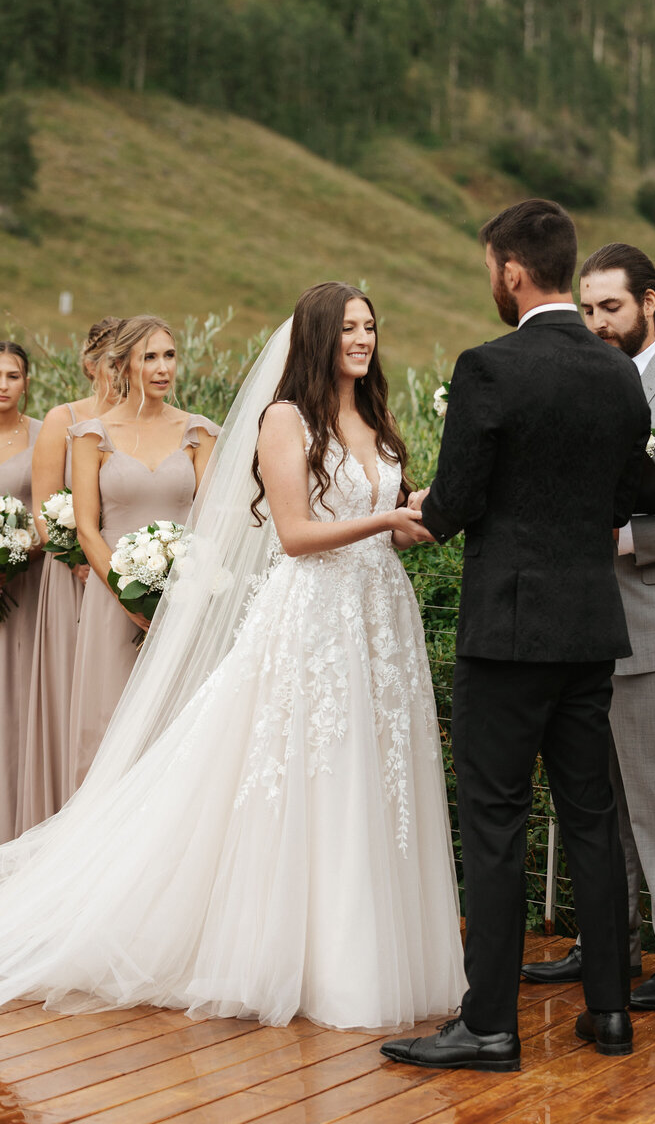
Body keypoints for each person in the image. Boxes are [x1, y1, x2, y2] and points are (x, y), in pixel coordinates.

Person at [0, 283, 466, 1032]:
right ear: (317, 334)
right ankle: (294, 955)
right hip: (314, 615)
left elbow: (381, 517)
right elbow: (293, 534)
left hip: (379, 613)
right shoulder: (285, 418)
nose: (363, 337)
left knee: (374, 769)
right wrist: (382, 518)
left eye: (371, 326)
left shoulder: (373, 414)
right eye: (348, 326)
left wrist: (419, 516)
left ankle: (363, 946)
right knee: (312, 769)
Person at [380, 201, 651, 1073]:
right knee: (593, 818)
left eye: (487, 268)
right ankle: (611, 1012)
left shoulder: (489, 367)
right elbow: (620, 498)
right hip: (590, 631)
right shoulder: (621, 374)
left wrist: (420, 513)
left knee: (494, 824)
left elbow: (455, 503)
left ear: (510, 271)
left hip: (507, 634)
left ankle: (489, 1025)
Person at [521, 243, 655, 1009]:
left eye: (609, 307)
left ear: (649, 302)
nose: (596, 322)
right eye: (586, 308)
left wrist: (621, 535)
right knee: (595, 801)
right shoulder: (586, 386)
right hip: (588, 629)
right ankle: (604, 944)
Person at [67, 315, 219, 792]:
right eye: (149, 357)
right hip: (112, 601)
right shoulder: (92, 435)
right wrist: (127, 596)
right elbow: (88, 529)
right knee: (107, 727)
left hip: (183, 600)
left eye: (169, 356)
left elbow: (212, 521)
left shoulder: (199, 433)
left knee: (175, 726)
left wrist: (184, 589)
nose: (161, 368)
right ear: (124, 366)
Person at [20, 319, 119, 831]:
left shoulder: (140, 420)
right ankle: (60, 816)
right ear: (90, 365)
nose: (121, 373)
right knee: (72, 697)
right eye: (113, 363)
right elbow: (43, 507)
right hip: (70, 577)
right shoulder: (66, 418)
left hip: (126, 573)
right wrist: (76, 555)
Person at [0, 342, 43, 844]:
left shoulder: (42, 435)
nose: (3, 384)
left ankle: (21, 824)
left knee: (19, 700)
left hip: (29, 583)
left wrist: (15, 557)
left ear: (26, 382)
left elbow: (53, 512)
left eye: (13, 375)